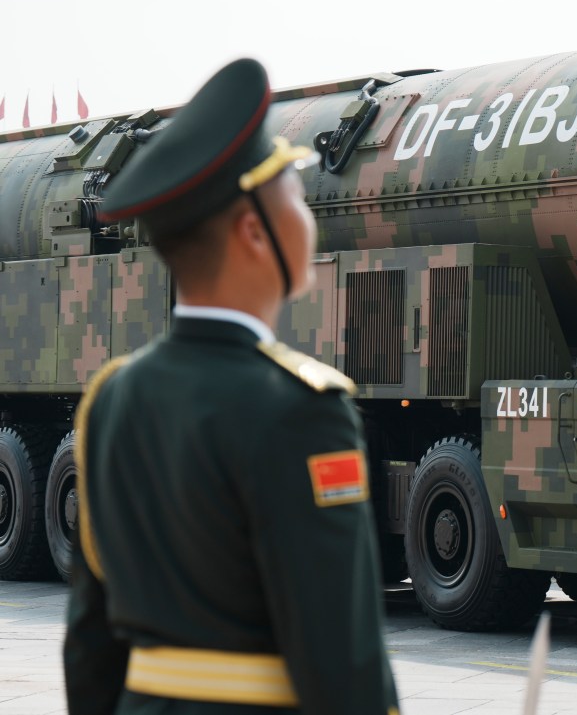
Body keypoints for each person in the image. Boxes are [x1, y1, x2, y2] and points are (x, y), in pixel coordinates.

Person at [62, 58, 399, 713]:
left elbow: (89, 643)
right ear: (253, 231)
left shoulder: (111, 400)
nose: (309, 215)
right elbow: (343, 663)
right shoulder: (302, 410)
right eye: (296, 196)